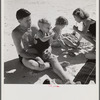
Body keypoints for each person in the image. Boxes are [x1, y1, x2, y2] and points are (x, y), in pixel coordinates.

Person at [12, 9, 74, 84]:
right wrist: (37, 58)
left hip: (40, 51)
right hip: (27, 55)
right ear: (19, 21)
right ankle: (54, 65)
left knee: (52, 57)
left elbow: (46, 43)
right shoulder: (16, 33)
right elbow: (21, 52)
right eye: (27, 21)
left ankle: (67, 80)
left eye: (30, 19)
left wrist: (48, 49)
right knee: (33, 65)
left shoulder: (34, 27)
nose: (30, 22)